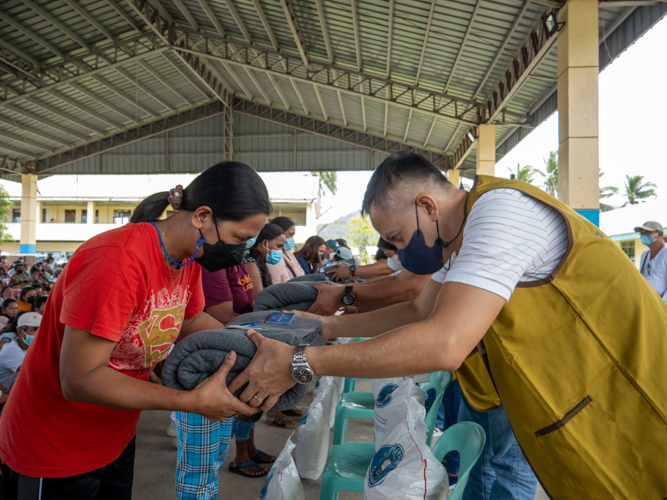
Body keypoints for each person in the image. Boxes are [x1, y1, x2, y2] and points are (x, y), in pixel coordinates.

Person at [231, 151, 667, 499]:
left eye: (399, 238)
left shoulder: (501, 214)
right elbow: (420, 310)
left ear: (426, 206)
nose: (399, 250)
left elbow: (445, 343)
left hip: (634, 390)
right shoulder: (458, 238)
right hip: (575, 401)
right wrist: (327, 326)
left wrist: (302, 361)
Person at [0, 161, 272, 500]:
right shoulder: (118, 260)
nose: (238, 252)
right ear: (202, 216)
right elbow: (80, 378)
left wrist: (253, 347)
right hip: (57, 444)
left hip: (115, 434)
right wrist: (190, 402)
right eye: (238, 238)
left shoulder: (186, 259)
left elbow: (190, 317)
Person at [0, 312, 40, 392]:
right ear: (20, 331)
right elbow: (34, 374)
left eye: (41, 329)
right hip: (8, 397)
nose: (39, 333)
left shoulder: (35, 348)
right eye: (35, 330)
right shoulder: (11, 350)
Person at [243, 224, 286, 295]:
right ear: (265, 243)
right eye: (279, 246)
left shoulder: (259, 263)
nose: (283, 250)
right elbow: (259, 300)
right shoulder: (251, 264)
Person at [635, 221, 667, 302]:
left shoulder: (665, 253)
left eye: (647, 232)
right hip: (646, 301)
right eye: (641, 233)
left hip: (661, 304)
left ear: (659, 234)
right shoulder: (645, 254)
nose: (643, 235)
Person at [267, 217, 305, 284]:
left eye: (293, 235)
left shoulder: (289, 253)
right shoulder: (274, 257)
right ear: (278, 233)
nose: (292, 239)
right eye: (290, 234)